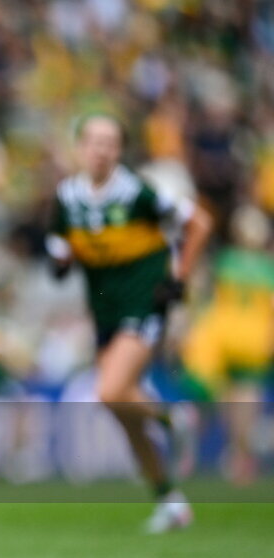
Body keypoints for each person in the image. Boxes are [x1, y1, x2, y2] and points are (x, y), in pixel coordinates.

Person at [47, 112, 213, 533]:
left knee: (111, 390)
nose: (101, 150)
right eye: (94, 141)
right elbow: (60, 246)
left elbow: (199, 223)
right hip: (104, 309)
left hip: (144, 299)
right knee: (123, 411)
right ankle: (170, 501)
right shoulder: (67, 198)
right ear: (79, 148)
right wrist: (61, 259)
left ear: (119, 151)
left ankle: (175, 421)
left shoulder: (138, 192)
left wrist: (180, 275)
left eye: (110, 143)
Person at [180, 203, 274, 485]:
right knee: (245, 400)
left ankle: (191, 454)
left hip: (222, 338)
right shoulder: (267, 269)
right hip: (254, 341)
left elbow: (203, 294)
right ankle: (239, 457)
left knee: (218, 398)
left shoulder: (225, 262)